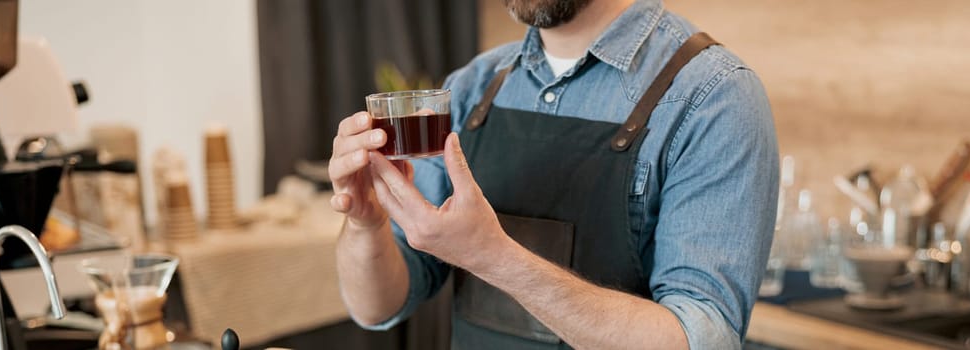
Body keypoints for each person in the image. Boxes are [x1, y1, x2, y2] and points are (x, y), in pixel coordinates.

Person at [329, 0, 779, 348]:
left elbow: (701, 339)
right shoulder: (473, 87)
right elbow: (377, 307)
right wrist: (367, 224)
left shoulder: (714, 98)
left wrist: (496, 257)